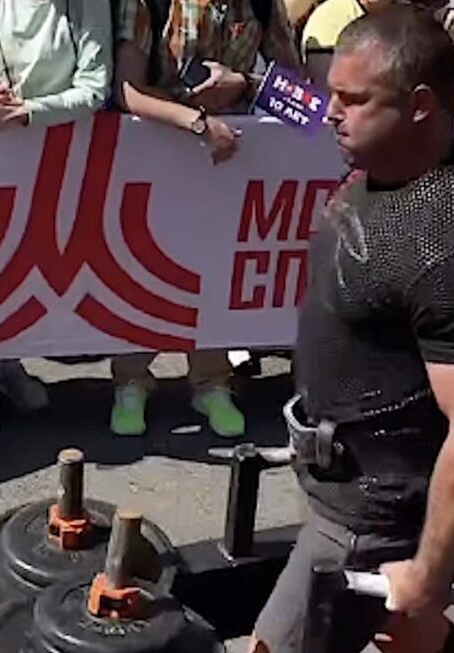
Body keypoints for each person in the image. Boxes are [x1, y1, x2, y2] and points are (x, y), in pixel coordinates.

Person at [248, 6, 454, 653]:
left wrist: (429, 575)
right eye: (332, 94)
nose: (330, 113)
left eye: (353, 100)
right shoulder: (379, 174)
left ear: (421, 105)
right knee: (408, 638)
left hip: (375, 513)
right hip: (340, 481)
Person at [109, 0, 302, 439]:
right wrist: (196, 121)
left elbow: (297, 90)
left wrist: (245, 84)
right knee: (143, 267)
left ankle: (211, 382)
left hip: (229, 161)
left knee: (217, 269)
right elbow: (127, 90)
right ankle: (131, 380)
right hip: (153, 157)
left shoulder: (263, 4)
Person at [0, 0, 114, 438]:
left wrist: (29, 113)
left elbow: (95, 86)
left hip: (62, 158)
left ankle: (9, 369)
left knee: (37, 275)